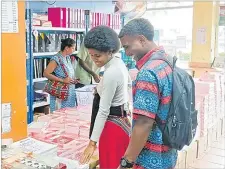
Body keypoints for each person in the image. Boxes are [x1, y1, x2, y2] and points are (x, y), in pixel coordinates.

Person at [118, 18, 178, 169]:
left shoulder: (148, 72)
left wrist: (126, 162)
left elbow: (144, 123)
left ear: (142, 40)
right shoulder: (167, 61)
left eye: (127, 47)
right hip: (168, 150)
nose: (127, 53)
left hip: (150, 157)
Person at [79, 26, 131, 168]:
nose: (94, 60)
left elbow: (103, 111)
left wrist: (92, 143)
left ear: (110, 51)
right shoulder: (118, 63)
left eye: (98, 56)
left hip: (112, 128)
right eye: (91, 55)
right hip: (121, 121)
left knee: (110, 164)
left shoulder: (111, 72)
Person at [43, 38, 79, 112]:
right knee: (60, 115)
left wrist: (73, 80)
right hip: (60, 92)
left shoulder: (68, 58)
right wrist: (62, 80)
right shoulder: (56, 59)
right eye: (73, 48)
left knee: (69, 114)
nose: (74, 50)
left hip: (69, 92)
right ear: (66, 48)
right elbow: (46, 73)